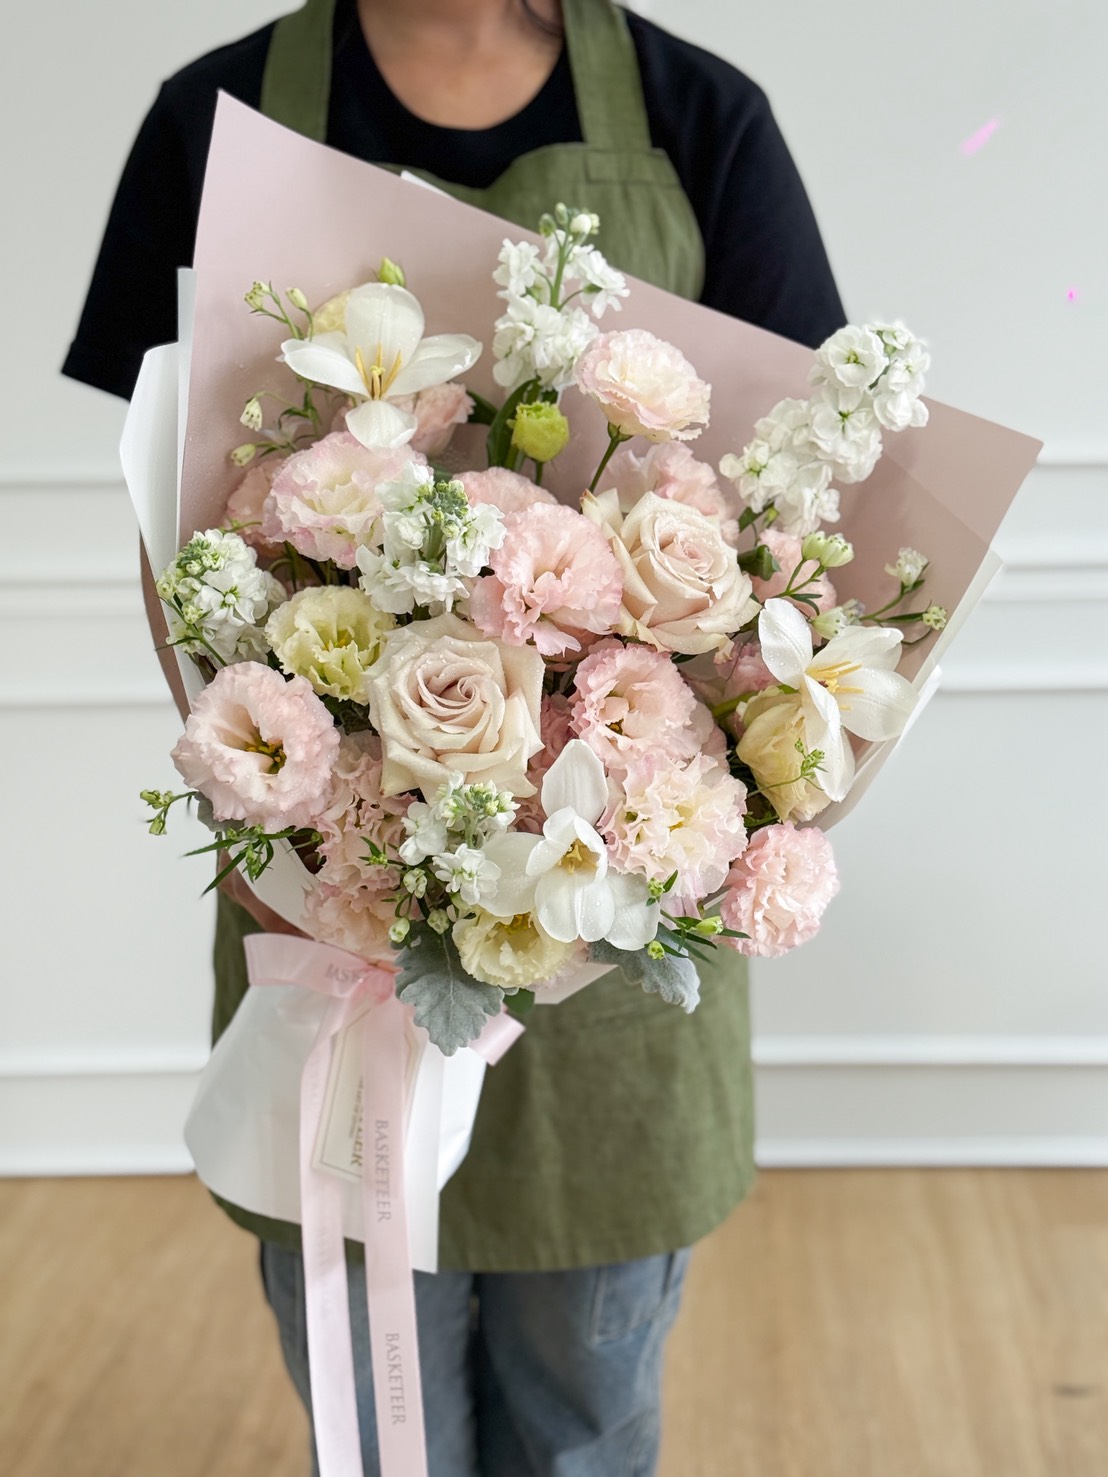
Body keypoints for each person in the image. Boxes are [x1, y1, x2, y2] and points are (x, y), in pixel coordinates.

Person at [64, 2, 845, 1472]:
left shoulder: (701, 116)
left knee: (586, 1407)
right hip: (328, 881)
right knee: (364, 1389)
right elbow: (164, 511)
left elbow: (796, 511)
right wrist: (253, 775)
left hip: (609, 918)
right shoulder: (212, 115)